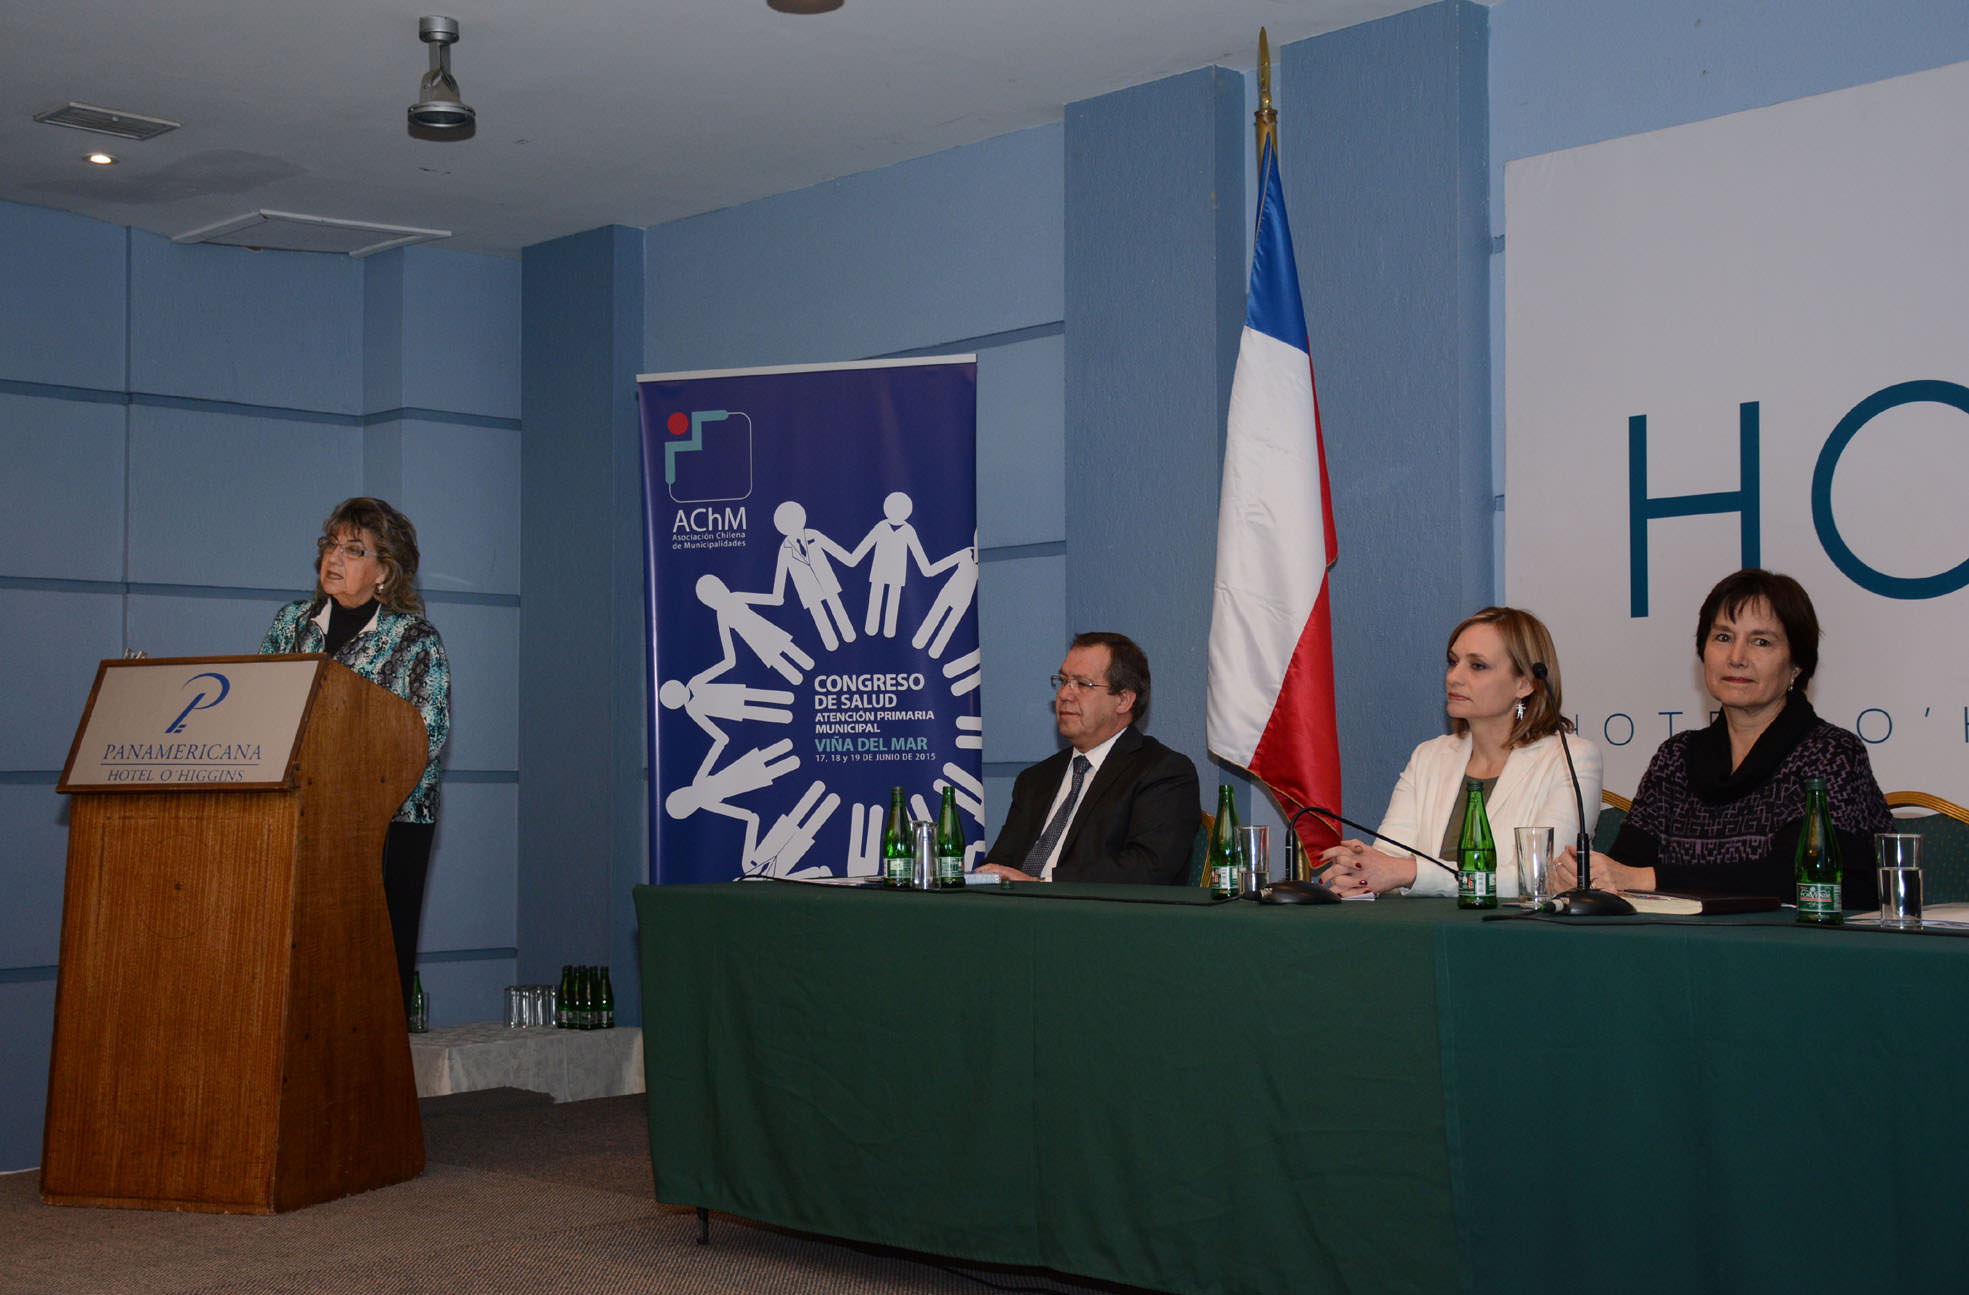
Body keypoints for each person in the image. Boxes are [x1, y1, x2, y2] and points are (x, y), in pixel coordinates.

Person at [1553, 569, 1890, 907]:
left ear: (1797, 665)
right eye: (1723, 637)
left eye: (1761, 642)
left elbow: (1800, 877)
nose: (1737, 658)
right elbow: (1626, 864)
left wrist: (1648, 879)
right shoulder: (1676, 757)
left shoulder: (1829, 753)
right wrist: (1588, 877)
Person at [260, 498, 450, 1017]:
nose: (334, 558)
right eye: (330, 545)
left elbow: (427, 735)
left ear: (385, 571)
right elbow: (260, 707)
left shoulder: (414, 640)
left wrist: (353, 773)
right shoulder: (291, 625)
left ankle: (378, 1086)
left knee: (372, 961)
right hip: (302, 814)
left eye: (354, 549)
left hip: (389, 822)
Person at [1320, 607, 1601, 898]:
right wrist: (1358, 869)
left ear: (1525, 683)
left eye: (1477, 666)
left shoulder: (1572, 759)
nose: (1454, 676)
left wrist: (1410, 872)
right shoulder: (1429, 756)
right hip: (1425, 933)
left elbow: (1539, 878)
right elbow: (1388, 859)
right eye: (1453, 662)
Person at [979, 632, 1200, 884]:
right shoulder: (1035, 780)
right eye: (1063, 681)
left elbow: (1147, 867)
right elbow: (1001, 865)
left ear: (1123, 699)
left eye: (1082, 684)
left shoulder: (1162, 772)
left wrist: (1043, 886)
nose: (1064, 694)